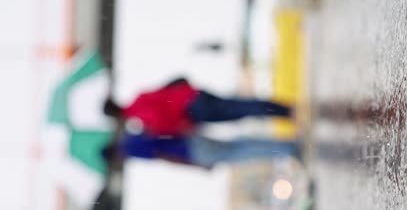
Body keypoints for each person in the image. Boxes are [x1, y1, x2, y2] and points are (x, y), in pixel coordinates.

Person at [103, 77, 292, 136]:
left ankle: (285, 112)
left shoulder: (142, 119)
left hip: (194, 111)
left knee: (239, 111)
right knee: (237, 104)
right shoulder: (140, 96)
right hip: (193, 94)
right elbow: (169, 87)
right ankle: (282, 108)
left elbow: (167, 122)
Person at [102, 132, 301, 169]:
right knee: (240, 144)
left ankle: (287, 150)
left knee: (243, 153)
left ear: (114, 156)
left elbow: (164, 155)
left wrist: (195, 166)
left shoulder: (132, 150)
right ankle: (286, 145)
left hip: (193, 154)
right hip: (192, 140)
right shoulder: (131, 136)